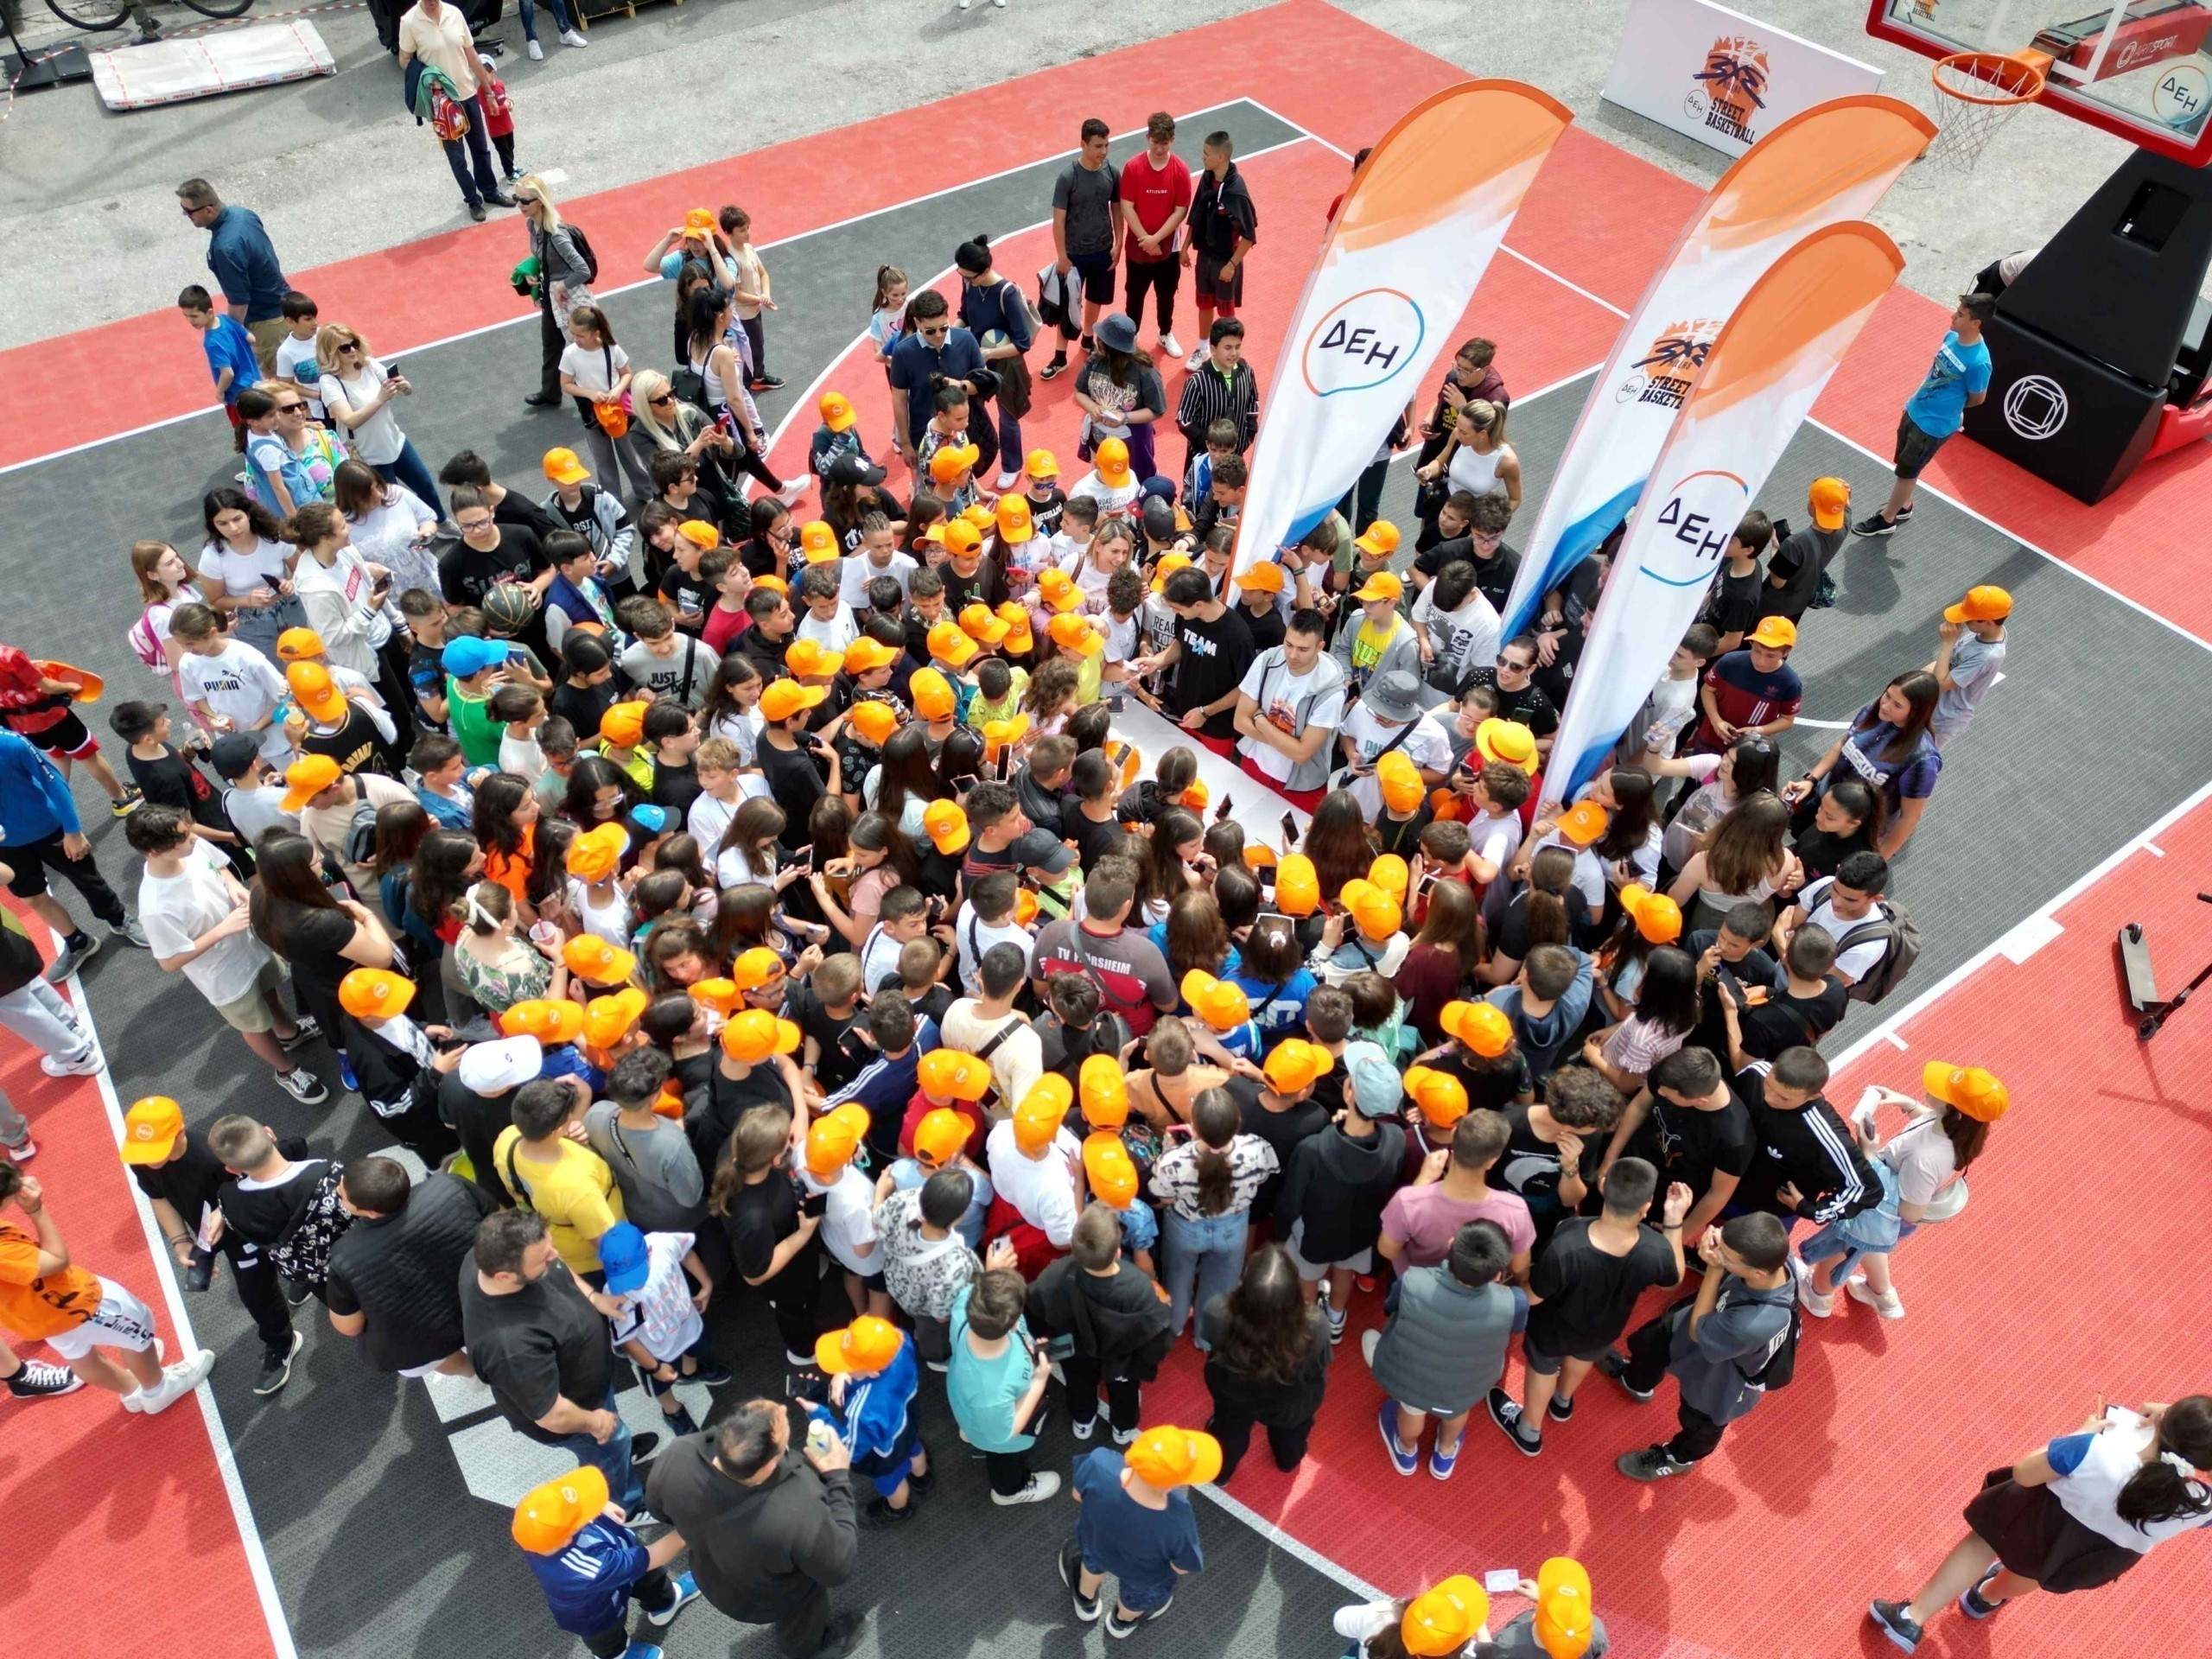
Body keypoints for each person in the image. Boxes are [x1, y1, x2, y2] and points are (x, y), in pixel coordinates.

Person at [1868, 1396, 2212, 1654]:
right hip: (2083, 1555)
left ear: (2164, 1416)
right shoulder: (2198, 1503)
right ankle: (1984, 1598)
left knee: (1982, 1543)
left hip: (2035, 1515)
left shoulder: (2093, 1448)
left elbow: (2025, 1472)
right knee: (2033, 1571)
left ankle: (1911, 1618)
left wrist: (2078, 1434)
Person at [126, 806, 328, 1103]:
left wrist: (234, 887)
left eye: (188, 829)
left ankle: (289, 1033)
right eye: (182, 837)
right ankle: (286, 1070)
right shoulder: (156, 906)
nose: (193, 837)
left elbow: (219, 867)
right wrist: (222, 930)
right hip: (223, 975)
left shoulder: (193, 848)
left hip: (249, 946)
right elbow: (169, 961)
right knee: (254, 1025)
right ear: (155, 852)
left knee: (269, 990)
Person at [1488, 1160, 1688, 1458]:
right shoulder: (1656, 1249)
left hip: (1552, 1329)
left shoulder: (1566, 1243)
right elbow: (1674, 1278)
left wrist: (1506, 1293)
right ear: (1647, 1206)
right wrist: (1674, 1221)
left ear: (1603, 1186)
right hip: (1605, 1329)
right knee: (1583, 1357)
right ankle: (1562, 1401)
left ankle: (1528, 1430)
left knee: (1543, 1367)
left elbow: (1534, 1296)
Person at [644, 1395, 866, 1659]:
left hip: (713, 1578)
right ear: (770, 1464)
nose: (782, 1408)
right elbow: (838, 1568)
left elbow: (658, 1511)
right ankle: (806, 1651)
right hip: (776, 1596)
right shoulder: (798, 1506)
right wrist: (838, 1477)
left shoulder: (677, 1455)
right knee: (802, 1614)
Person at [461, 1209, 652, 1514]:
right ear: (504, 1276)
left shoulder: (486, 1258)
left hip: (588, 1390)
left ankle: (618, 1453)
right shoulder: (510, 1347)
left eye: (550, 1246)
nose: (554, 1256)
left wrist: (593, 1298)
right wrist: (596, 1423)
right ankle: (625, 1505)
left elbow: (559, 1266)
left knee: (615, 1443)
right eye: (543, 1259)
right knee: (607, 1453)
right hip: (577, 1416)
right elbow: (551, 1415)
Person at [0, 1161, 215, 1414]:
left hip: (34, 1315)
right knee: (139, 1329)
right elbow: (58, 1260)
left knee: (78, 1355)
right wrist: (36, 1210)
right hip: (72, 1300)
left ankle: (132, 1389)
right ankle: (157, 1390)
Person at [119, 1096, 300, 1394]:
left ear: (180, 1132)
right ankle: (286, 1327)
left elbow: (255, 1189)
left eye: (156, 1148)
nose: (149, 1159)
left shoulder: (213, 1159)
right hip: (213, 1231)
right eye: (142, 1150)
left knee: (263, 1285)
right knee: (258, 1291)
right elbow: (158, 1197)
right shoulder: (141, 1160)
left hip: (249, 1227)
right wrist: (180, 1240)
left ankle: (285, 1333)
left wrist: (223, 1215)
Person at [1799, 1061, 2005, 1320]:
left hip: (1880, 1213)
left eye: (1945, 1091)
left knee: (1838, 1251)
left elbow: (1909, 1212)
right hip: (1882, 1216)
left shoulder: (1925, 1159)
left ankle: (1818, 1295)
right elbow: (1927, 1120)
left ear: (1957, 1113)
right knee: (1869, 1247)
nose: (1935, 1087)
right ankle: (1881, 1293)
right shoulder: (1953, 1128)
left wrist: (1869, 1156)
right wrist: (1905, 1103)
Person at [1605, 1211, 1795, 1481]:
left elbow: (1697, 1332)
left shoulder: (1751, 1324)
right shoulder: (1776, 1254)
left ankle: (1679, 1458)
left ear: (1757, 1273)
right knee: (1648, 1344)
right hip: (1711, 1323)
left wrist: (1714, 1270)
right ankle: (1635, 1383)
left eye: (1725, 1255)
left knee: (1700, 1423)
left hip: (1722, 1375)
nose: (1717, 1252)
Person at [1365, 1219, 1519, 1480]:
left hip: (1413, 1377)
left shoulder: (1413, 1280)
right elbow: (1514, 1329)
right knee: (1457, 1410)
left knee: (1411, 1408)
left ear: (1451, 1244)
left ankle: (1406, 1450)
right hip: (1467, 1382)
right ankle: (1445, 1453)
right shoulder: (1512, 1302)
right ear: (1497, 1274)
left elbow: (1391, 1308)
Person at [1274, 1041, 1406, 1343]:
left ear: (1349, 1093)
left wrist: (1282, 1236)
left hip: (1313, 1235)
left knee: (1308, 1276)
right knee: (1345, 1271)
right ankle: (1335, 1318)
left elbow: (1291, 1202)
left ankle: (1307, 1321)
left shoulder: (1312, 1149)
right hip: (1361, 1232)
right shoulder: (1397, 1139)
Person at [1, 730, 149, 985]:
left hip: (49, 828)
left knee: (87, 880)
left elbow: (53, 781)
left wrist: (72, 830)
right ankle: (78, 942)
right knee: (32, 898)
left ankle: (118, 919)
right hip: (7, 844)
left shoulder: (11, 744)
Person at [326, 1155, 489, 1380]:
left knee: (421, 1359)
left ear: (371, 1212)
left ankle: (473, 1373)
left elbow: (349, 1326)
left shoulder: (345, 1256)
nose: (337, 1192)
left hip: (425, 1337)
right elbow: (494, 1217)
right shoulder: (450, 1185)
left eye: (341, 1196)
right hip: (482, 1298)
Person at [512, 1464, 698, 1659]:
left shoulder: (534, 1528)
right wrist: (689, 1530)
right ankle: (618, 1655)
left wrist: (601, 1504)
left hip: (621, 1553)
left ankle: (666, 1603)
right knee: (607, 1640)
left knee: (652, 1581)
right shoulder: (586, 1566)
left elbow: (561, 1504)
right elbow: (653, 1556)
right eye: (584, 1512)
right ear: (566, 1539)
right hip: (597, 1612)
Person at [1030, 1204, 1177, 1444]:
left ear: (1074, 1246)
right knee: (1125, 1392)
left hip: (1070, 1349)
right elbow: (1157, 1334)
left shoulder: (1055, 1274)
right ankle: (1122, 1429)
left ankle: (1083, 1420)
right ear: (1118, 1252)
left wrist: (1040, 1346)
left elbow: (1033, 1308)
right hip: (1121, 1357)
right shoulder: (1139, 1286)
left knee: (1078, 1385)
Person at [1856, 293, 1993, 537]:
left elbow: (1977, 398)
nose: (1953, 316)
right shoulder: (1951, 337)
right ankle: (1904, 505)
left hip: (1933, 427)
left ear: (1976, 323)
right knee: (1904, 465)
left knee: (1907, 473)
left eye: (1960, 314)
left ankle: (1887, 518)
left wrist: (1951, 409)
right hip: (1915, 410)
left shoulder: (1979, 362)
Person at [1060, 1425, 1214, 1637]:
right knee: (1139, 1597)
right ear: (1173, 1484)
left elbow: (1078, 1495)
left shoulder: (1099, 1462)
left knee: (1091, 1564)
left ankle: (1085, 1600)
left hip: (1096, 1544)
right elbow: (1181, 1567)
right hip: (1143, 1574)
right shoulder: (1178, 1520)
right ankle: (1121, 1622)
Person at [1198, 1243, 1332, 1481]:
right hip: (1291, 1401)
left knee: (1229, 1432)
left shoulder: (1216, 1312)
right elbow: (1319, 1366)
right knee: (1291, 1435)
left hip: (1233, 1391)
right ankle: (1287, 1462)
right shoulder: (1316, 1328)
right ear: (1294, 1293)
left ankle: (1221, 1474)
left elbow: (1211, 1343)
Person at [1783, 672, 1940, 858]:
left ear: (1915, 712)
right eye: (1887, 695)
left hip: (1852, 832)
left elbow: (1910, 817)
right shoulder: (1873, 713)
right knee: (1801, 845)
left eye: (1897, 705)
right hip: (1825, 803)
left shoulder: (1921, 759)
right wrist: (1811, 780)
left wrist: (1879, 859)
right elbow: (1843, 744)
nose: (1885, 706)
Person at [398, 0, 516, 222]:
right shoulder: (409, 22)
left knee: (481, 149)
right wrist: (425, 75)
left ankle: (490, 191)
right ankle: (472, 200)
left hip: (468, 94)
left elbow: (472, 56)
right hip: (442, 104)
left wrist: (489, 93)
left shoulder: (454, 13)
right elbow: (404, 59)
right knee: (457, 158)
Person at [176, 180, 290, 375]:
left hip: (265, 324)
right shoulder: (244, 215)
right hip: (284, 305)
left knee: (281, 386)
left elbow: (239, 301)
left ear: (208, 210)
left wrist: (231, 336)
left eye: (189, 211)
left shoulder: (226, 248)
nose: (185, 215)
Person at [1045, 118, 1121, 379]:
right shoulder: (1068, 178)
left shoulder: (1112, 172)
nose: (1103, 151)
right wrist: (1062, 256)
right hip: (1074, 255)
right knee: (1068, 305)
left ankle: (1088, 339)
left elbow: (1117, 208)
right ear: (1083, 144)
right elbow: (1059, 220)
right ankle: (1060, 357)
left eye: (1106, 145)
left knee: (1096, 298)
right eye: (1098, 146)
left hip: (1103, 249)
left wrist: (1119, 242)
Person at [1184, 130, 1258, 371]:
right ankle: (1203, 348)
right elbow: (1196, 216)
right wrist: (1185, 248)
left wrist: (1232, 265)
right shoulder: (1207, 179)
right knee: (1204, 305)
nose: (1203, 157)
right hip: (1205, 257)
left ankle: (1228, 358)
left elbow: (1249, 236)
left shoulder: (1236, 191)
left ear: (1221, 157)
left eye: (1207, 154)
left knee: (1226, 314)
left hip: (1226, 261)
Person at [1757, 480, 1851, 626]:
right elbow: (1847, 507)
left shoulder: (1794, 545)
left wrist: (1776, 549)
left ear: (1813, 506)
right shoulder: (1844, 527)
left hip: (1770, 608)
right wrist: (1842, 492)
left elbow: (1777, 582)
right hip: (1798, 605)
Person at [1928, 585, 2010, 750]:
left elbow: (1940, 685)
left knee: (1917, 759)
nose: (1964, 620)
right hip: (1931, 704)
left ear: (1988, 623)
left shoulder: (1987, 656)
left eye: (1970, 617)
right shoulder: (1983, 631)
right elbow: (1949, 661)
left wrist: (1948, 642)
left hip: (1942, 717)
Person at [180, 285, 260, 444]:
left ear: (209, 312)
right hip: (255, 383)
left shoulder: (212, 342)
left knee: (245, 434)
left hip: (237, 396)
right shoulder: (225, 319)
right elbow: (251, 339)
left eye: (194, 316)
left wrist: (220, 393)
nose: (190, 321)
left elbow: (227, 373)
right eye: (186, 316)